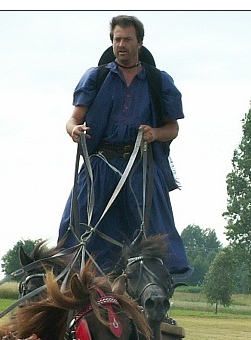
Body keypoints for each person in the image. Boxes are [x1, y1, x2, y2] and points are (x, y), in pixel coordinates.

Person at [57, 15, 192, 278]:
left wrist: (154, 133)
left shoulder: (158, 81)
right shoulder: (96, 77)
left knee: (154, 238)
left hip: (141, 170)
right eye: (117, 39)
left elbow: (172, 128)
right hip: (100, 167)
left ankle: (155, 299)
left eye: (127, 39)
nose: (121, 44)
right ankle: (68, 294)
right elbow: (73, 118)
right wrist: (75, 130)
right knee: (76, 231)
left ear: (139, 43)